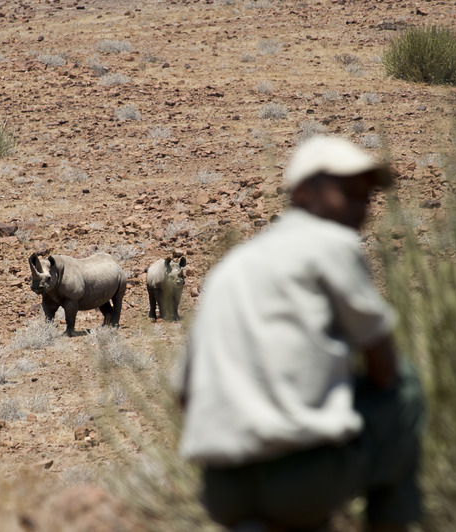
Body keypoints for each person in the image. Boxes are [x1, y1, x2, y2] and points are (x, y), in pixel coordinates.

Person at [178, 136, 425, 532]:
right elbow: (384, 365)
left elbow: (185, 393)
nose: (362, 209)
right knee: (406, 387)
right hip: (303, 481)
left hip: (222, 489)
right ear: (303, 193)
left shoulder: (231, 265)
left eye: (367, 197)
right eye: (348, 193)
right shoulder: (332, 242)